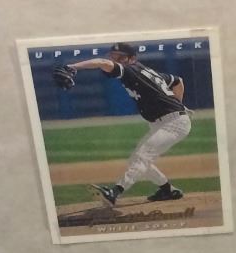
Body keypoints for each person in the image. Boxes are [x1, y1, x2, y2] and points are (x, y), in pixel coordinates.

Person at [56, 42, 191, 204]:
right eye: (113, 57)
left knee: (141, 157)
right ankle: (167, 190)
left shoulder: (131, 70)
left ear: (132, 59)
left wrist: (71, 67)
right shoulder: (145, 71)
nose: (115, 60)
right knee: (138, 159)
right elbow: (178, 81)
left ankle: (115, 192)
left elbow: (102, 62)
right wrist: (178, 103)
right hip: (165, 121)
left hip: (173, 123)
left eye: (120, 57)